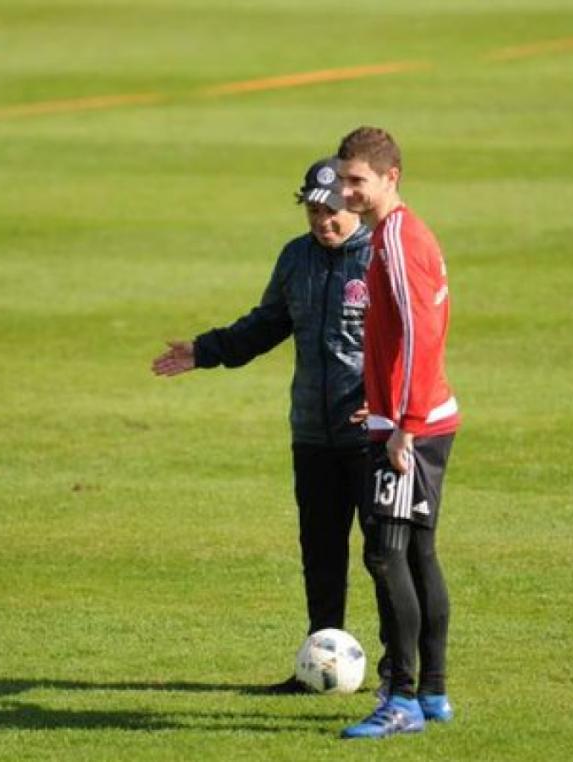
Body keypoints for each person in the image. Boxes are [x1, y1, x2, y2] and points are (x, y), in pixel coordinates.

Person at [151, 157, 374, 693]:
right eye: (314, 211)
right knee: (320, 552)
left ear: (355, 203)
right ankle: (319, 666)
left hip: (372, 434)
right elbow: (268, 323)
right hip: (312, 432)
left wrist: (390, 402)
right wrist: (206, 350)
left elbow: (410, 343)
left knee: (386, 558)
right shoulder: (295, 257)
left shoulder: (381, 257)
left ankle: (399, 676)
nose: (323, 221)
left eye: (333, 210)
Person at [334, 126, 461, 739]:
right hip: (414, 415)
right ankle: (432, 691)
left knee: (385, 552)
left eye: (357, 180)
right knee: (416, 551)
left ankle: (403, 699)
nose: (347, 191)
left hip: (413, 428)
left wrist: (403, 428)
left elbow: (420, 337)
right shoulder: (393, 233)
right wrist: (380, 403)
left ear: (391, 178)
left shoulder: (399, 239)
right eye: (344, 178)